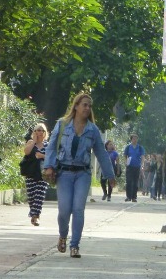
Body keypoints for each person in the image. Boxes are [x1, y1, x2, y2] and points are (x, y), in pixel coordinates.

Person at [43, 92, 115, 259]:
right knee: (64, 210)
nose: (87, 108)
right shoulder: (62, 124)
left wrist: (110, 175)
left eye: (89, 106)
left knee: (78, 209)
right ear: (76, 106)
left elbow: (102, 154)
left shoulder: (92, 129)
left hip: (82, 173)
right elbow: (52, 147)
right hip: (64, 173)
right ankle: (62, 235)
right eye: (84, 105)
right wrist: (49, 166)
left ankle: (74, 245)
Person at [24, 123, 49, 226]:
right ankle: (33, 213)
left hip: (43, 173)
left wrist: (42, 155)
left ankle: (36, 216)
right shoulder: (30, 142)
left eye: (41, 130)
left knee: (39, 194)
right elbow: (26, 152)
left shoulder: (48, 145)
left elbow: (52, 157)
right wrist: (34, 141)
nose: (39, 132)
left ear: (44, 133)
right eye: (37, 130)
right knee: (32, 196)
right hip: (31, 172)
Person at [123, 133, 145, 202]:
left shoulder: (140, 148)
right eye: (133, 138)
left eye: (136, 138)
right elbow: (125, 156)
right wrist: (126, 162)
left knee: (135, 182)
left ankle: (134, 197)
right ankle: (128, 196)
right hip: (130, 166)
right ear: (131, 139)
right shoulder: (128, 147)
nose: (135, 140)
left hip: (137, 167)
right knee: (129, 181)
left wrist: (142, 165)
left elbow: (142, 157)